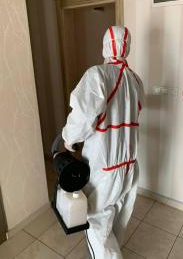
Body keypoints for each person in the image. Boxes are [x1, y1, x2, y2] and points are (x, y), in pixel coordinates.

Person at [62, 26, 143, 259]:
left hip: (103, 168)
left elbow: (82, 117)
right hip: (129, 166)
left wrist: (69, 140)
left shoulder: (97, 75)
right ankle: (115, 251)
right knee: (118, 215)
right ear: (127, 47)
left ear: (105, 45)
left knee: (96, 221)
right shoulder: (135, 80)